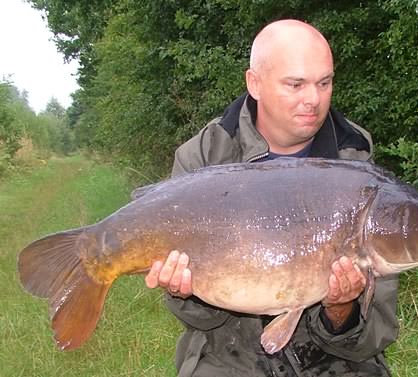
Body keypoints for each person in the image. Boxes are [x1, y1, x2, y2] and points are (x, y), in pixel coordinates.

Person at [145, 19, 399, 377]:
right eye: (295, 84)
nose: (313, 99)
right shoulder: (206, 155)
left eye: (324, 83)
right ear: (255, 83)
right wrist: (185, 292)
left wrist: (341, 309)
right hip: (230, 351)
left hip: (333, 358)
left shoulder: (354, 167)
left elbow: (375, 336)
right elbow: (198, 322)